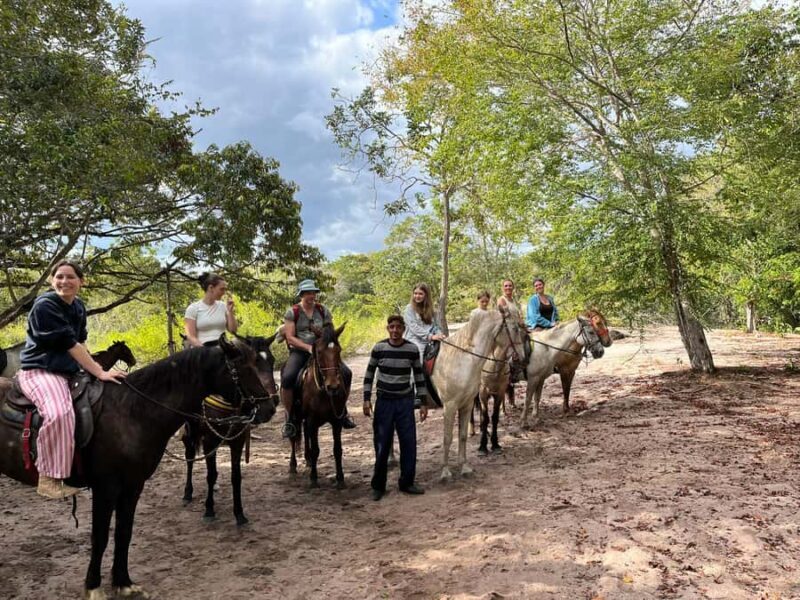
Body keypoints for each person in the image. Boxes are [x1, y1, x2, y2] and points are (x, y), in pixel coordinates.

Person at [17, 261, 127, 499]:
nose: (64, 281)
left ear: (81, 282)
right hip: (41, 371)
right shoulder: (45, 306)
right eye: (59, 276)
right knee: (60, 413)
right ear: (51, 280)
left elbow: (81, 343)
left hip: (68, 372)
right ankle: (49, 478)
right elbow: (70, 344)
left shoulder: (78, 306)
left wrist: (90, 371)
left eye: (70, 277)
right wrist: (99, 371)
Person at [363, 315, 428, 500]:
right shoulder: (379, 348)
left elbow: (419, 377)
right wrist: (366, 399)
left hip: (404, 402)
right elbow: (369, 374)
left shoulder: (412, 349)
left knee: (408, 443)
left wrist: (423, 402)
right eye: (391, 327)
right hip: (384, 402)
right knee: (382, 444)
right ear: (387, 328)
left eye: (398, 327)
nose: (395, 330)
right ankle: (378, 485)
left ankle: (407, 482)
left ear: (403, 329)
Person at [279, 279, 355, 439]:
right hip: (301, 350)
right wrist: (308, 348)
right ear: (301, 294)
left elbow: (330, 333)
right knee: (288, 377)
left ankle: (343, 412)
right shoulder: (293, 312)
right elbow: (290, 337)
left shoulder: (323, 310)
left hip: (323, 351)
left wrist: (327, 345)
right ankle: (290, 417)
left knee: (346, 373)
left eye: (313, 292)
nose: (311, 296)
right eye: (307, 293)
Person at [184, 272, 238, 347]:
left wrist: (230, 312)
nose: (224, 293)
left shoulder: (223, 306)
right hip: (202, 350)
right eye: (221, 289)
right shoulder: (193, 308)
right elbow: (191, 336)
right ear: (211, 288)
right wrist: (205, 350)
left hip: (222, 348)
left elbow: (233, 331)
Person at [403, 282, 446, 363]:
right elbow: (413, 327)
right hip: (414, 340)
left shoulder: (432, 310)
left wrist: (439, 334)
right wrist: (430, 336)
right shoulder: (409, 308)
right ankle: (416, 375)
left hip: (429, 340)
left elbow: (435, 326)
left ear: (426, 295)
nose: (417, 296)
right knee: (418, 356)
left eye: (420, 294)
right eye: (415, 293)